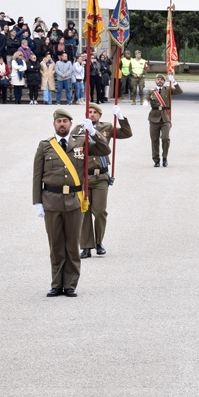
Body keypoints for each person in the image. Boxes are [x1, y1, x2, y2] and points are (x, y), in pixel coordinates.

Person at [32, 108, 110, 298]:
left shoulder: (81, 142)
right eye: (59, 121)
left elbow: (104, 149)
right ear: (54, 125)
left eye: (66, 121)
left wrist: (93, 132)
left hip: (74, 201)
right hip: (51, 201)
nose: (62, 124)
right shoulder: (45, 146)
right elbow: (37, 176)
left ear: (70, 124)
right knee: (56, 245)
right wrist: (37, 203)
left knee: (72, 246)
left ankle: (71, 284)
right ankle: (56, 284)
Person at [75, 103, 132, 258]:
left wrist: (121, 117)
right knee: (84, 212)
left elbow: (126, 133)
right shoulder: (78, 129)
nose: (92, 114)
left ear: (100, 115)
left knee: (99, 211)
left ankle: (99, 242)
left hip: (101, 176)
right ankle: (86, 246)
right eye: (89, 112)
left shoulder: (106, 127)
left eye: (95, 112)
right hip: (83, 177)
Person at [146, 73, 182, 167]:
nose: (160, 81)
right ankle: (156, 160)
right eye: (158, 79)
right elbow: (146, 98)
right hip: (154, 118)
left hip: (165, 117)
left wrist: (174, 81)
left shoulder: (168, 89)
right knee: (154, 140)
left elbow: (179, 91)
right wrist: (145, 102)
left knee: (165, 138)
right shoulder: (151, 91)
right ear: (155, 81)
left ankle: (165, 157)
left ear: (164, 81)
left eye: (162, 79)